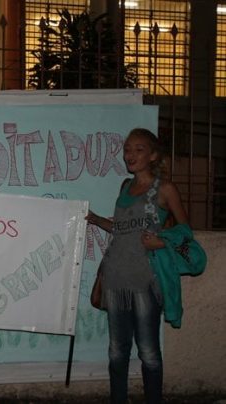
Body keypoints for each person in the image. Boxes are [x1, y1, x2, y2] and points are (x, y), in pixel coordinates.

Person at [86, 128, 187, 404]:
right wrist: (95, 219)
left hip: (146, 283)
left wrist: (162, 241)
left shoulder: (165, 189)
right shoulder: (124, 188)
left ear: (153, 155)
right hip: (116, 280)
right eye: (128, 149)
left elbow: (186, 234)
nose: (130, 154)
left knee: (148, 353)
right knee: (117, 352)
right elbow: (121, 229)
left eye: (139, 149)